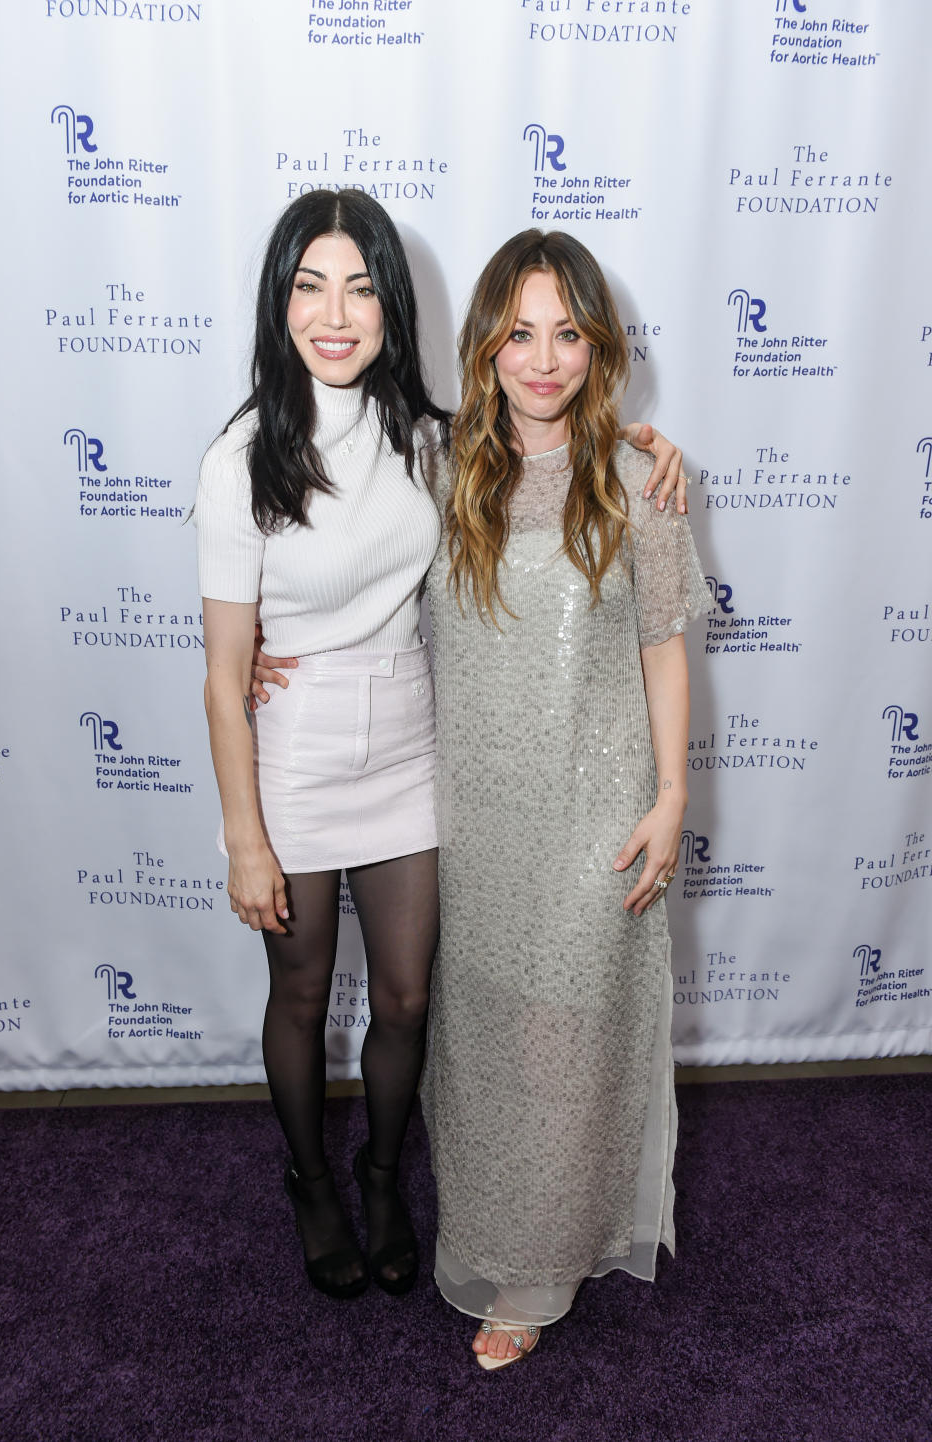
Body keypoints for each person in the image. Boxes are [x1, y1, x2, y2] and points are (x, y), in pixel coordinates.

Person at [198, 189, 688, 1307]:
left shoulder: (426, 440)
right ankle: (312, 1183)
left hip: (412, 746)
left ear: (391, 306)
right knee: (304, 989)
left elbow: (551, 448)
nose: (336, 312)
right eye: (311, 286)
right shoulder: (239, 460)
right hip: (301, 754)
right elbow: (226, 660)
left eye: (361, 287)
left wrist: (645, 446)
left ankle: (383, 1180)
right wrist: (244, 825)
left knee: (411, 997)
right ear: (280, 303)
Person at [421, 230, 711, 1368]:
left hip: (598, 810)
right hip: (475, 819)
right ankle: (497, 1233)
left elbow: (664, 655)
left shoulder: (642, 481)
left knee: (567, 1044)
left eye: (568, 333)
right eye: (520, 333)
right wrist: (262, 653)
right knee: (487, 1044)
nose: (543, 360)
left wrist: (672, 792)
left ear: (600, 344)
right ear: (487, 344)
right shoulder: (440, 468)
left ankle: (538, 1272)